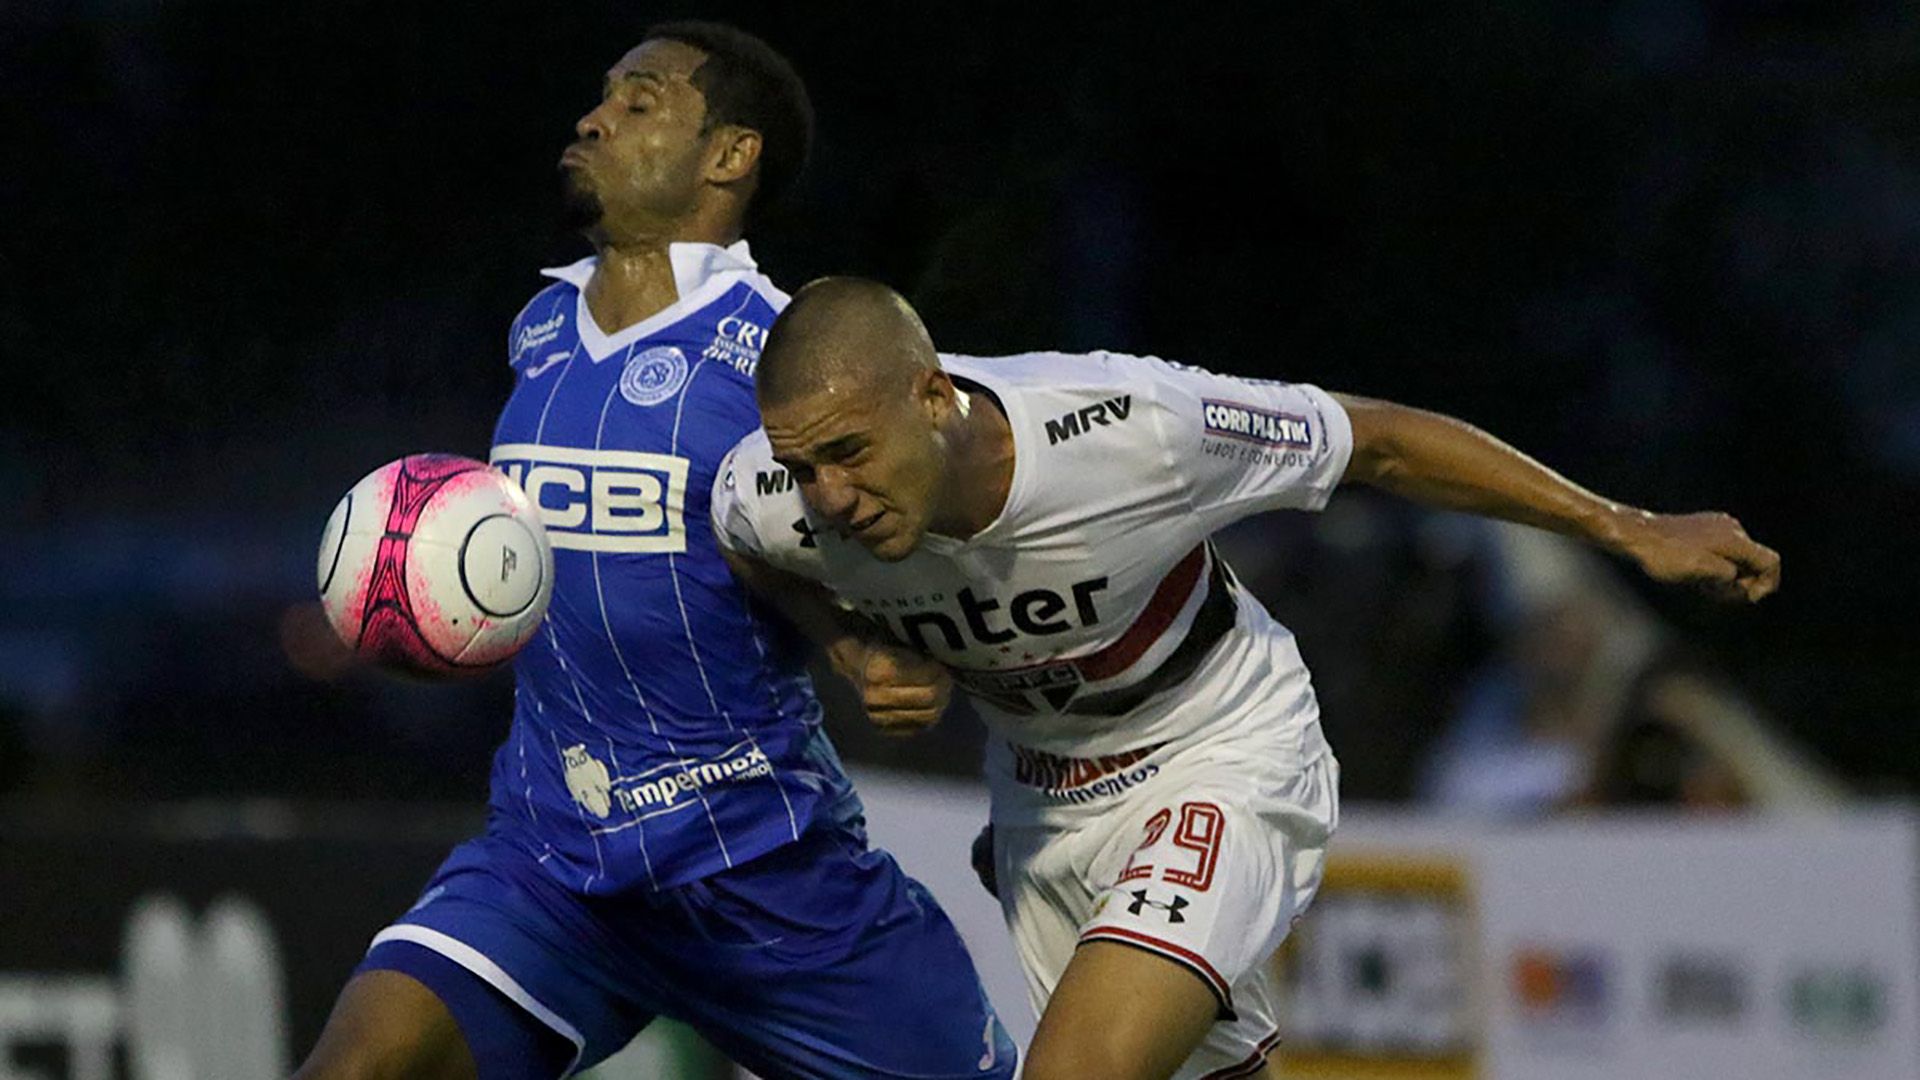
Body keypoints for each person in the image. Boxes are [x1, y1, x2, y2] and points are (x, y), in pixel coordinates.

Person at [710, 277, 1780, 1080]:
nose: (831, 495)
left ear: (933, 395)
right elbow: (747, 545)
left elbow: (1382, 444)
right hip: (1040, 801)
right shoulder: (772, 497)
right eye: (806, 467)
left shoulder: (1131, 431)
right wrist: (853, 647)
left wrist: (1623, 524)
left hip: (1216, 749)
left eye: (849, 452)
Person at [294, 26, 1014, 1080]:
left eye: (639, 102)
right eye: (600, 98)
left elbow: (831, 540)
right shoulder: (539, 326)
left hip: (763, 878)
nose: (594, 118)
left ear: (731, 155)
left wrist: (871, 650)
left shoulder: (785, 355)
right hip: (553, 866)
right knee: (357, 1068)